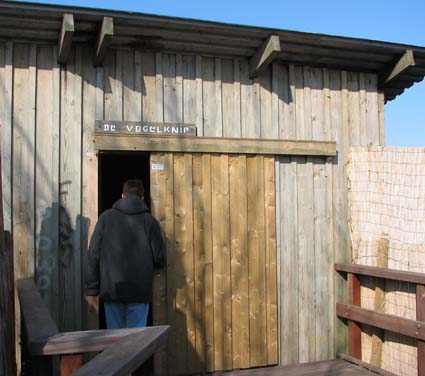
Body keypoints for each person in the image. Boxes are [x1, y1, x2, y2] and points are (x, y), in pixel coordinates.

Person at [85, 179, 165, 329]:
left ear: (122, 196)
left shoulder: (105, 218)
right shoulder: (150, 222)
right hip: (139, 292)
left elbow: (93, 254)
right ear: (142, 198)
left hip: (112, 290)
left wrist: (92, 289)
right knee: (136, 344)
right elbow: (159, 258)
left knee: (116, 342)